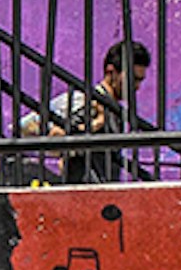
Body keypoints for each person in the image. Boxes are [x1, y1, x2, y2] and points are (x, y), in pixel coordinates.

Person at [20, 40, 158, 185]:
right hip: (82, 194)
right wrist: (96, 123)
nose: (137, 87)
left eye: (140, 81)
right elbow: (45, 134)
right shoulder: (88, 102)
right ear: (111, 72)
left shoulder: (112, 108)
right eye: (133, 79)